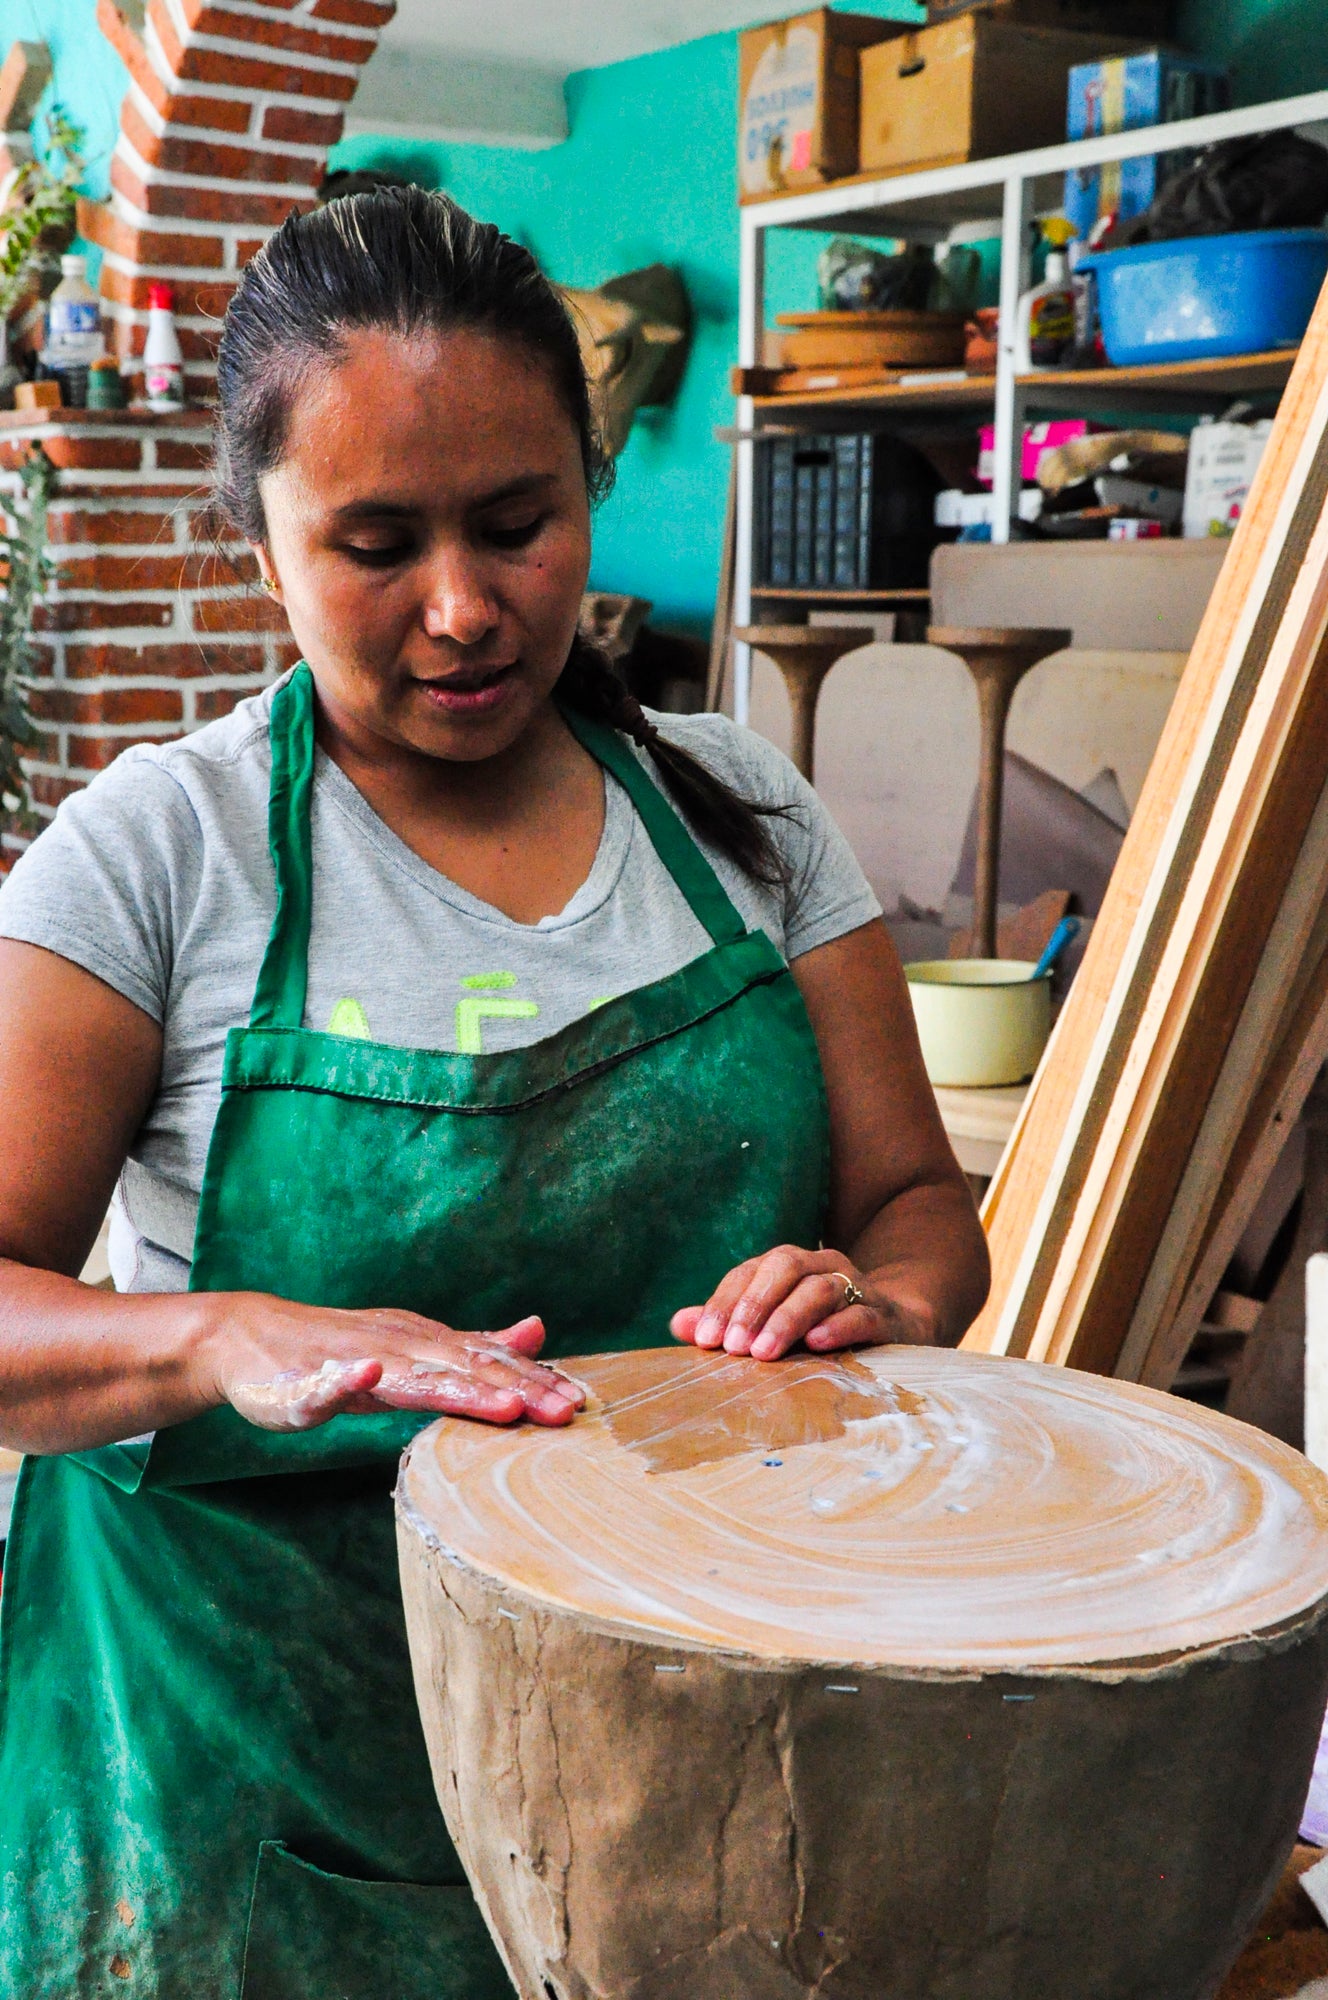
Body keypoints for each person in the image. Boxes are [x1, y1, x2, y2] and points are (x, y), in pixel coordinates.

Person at [0, 187, 989, 1995]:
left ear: (589, 493)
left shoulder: (741, 814)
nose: (463, 610)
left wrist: (887, 1295)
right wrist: (216, 1338)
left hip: (689, 1747)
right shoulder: (159, 857)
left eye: (517, 525)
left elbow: (916, 1200)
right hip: (251, 1797)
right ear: (260, 547)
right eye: (374, 545)